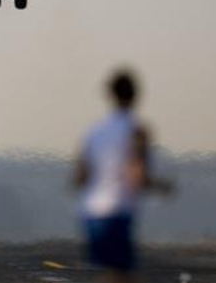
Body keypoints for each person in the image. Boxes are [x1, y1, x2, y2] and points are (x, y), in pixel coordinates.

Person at [72, 70, 172, 282]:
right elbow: (137, 175)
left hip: (91, 212)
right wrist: (161, 186)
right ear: (135, 95)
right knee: (121, 275)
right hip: (117, 211)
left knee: (114, 275)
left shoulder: (94, 131)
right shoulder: (137, 131)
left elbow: (80, 176)